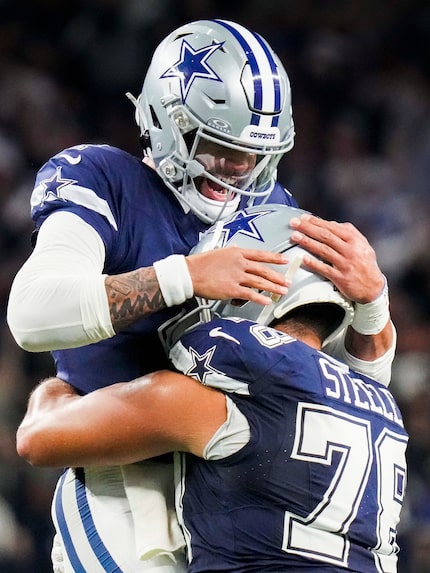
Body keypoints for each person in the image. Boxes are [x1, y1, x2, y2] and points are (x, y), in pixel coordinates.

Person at [7, 18, 395, 572]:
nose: (238, 168)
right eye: (217, 146)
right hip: (129, 480)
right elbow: (32, 314)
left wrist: (372, 305)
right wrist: (184, 277)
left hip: (239, 487)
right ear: (166, 122)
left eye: (252, 153)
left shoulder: (275, 208)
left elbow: (345, 401)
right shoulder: (104, 178)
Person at [16, 205, 408, 572]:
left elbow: (37, 438)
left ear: (249, 292)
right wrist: (375, 302)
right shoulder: (381, 404)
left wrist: (63, 382)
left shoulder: (216, 405)